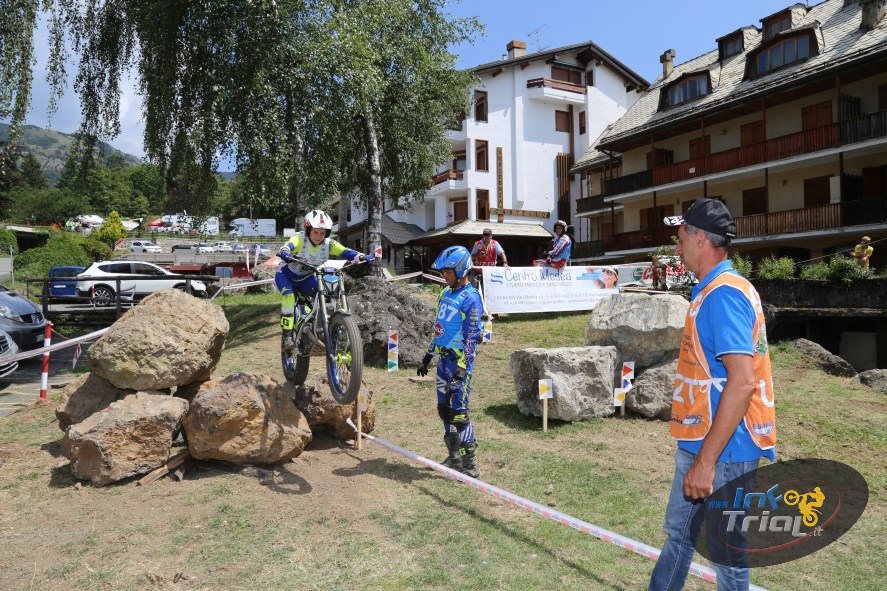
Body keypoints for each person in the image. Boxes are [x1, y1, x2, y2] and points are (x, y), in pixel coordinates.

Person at [650, 198, 777, 591]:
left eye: (681, 234)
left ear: (701, 238)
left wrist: (706, 462)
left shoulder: (723, 295)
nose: (677, 245)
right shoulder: (713, 290)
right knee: (680, 535)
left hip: (726, 450)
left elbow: (742, 382)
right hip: (704, 440)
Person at [417, 246, 484, 478]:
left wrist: (462, 369)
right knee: (444, 410)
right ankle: (454, 457)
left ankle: (470, 462)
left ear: (460, 269)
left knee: (459, 413)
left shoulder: (471, 299)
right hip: (443, 362)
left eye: (447, 271)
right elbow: (439, 330)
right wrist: (428, 355)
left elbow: (472, 339)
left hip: (459, 364)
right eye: (442, 272)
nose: (443, 276)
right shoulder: (444, 294)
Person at [275, 209, 367, 350]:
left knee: (325, 292)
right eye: (315, 232)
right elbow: (288, 246)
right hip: (286, 276)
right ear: (308, 230)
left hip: (306, 278)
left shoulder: (328, 244)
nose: (319, 236)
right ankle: (287, 336)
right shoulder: (300, 239)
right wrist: (285, 251)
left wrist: (360, 256)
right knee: (288, 296)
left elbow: (344, 251)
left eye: (322, 233)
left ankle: (321, 325)